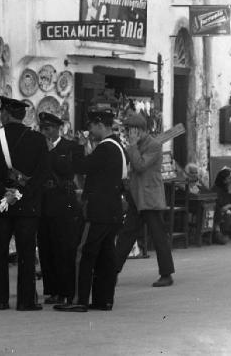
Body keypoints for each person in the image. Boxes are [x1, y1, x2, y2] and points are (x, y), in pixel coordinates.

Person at [0, 96, 50, 311]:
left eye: (1, 112)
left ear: (6, 114)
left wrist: (3, 191)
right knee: (26, 254)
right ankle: (26, 300)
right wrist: (21, 193)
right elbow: (43, 174)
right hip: (27, 206)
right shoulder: (37, 140)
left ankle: (0, 300)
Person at [54, 109, 126, 313]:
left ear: (100, 125)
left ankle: (79, 299)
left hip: (98, 210)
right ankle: (104, 299)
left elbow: (81, 166)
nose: (89, 131)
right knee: (106, 255)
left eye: (91, 126)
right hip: (112, 209)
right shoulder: (118, 146)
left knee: (84, 253)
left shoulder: (105, 148)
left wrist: (77, 147)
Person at [116, 114, 175, 287]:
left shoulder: (154, 145)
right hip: (136, 196)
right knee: (126, 235)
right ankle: (113, 271)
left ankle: (166, 274)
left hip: (150, 198)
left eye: (131, 131)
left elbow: (140, 165)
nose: (129, 135)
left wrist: (132, 146)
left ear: (141, 130)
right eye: (127, 131)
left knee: (158, 237)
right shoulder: (135, 145)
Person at [38, 112, 84, 305]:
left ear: (58, 129)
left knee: (64, 248)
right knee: (46, 247)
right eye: (43, 129)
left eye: (48, 129)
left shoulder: (71, 147)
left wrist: (50, 153)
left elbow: (69, 171)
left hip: (64, 202)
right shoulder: (39, 147)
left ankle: (66, 290)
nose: (45, 133)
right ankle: (52, 290)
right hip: (44, 202)